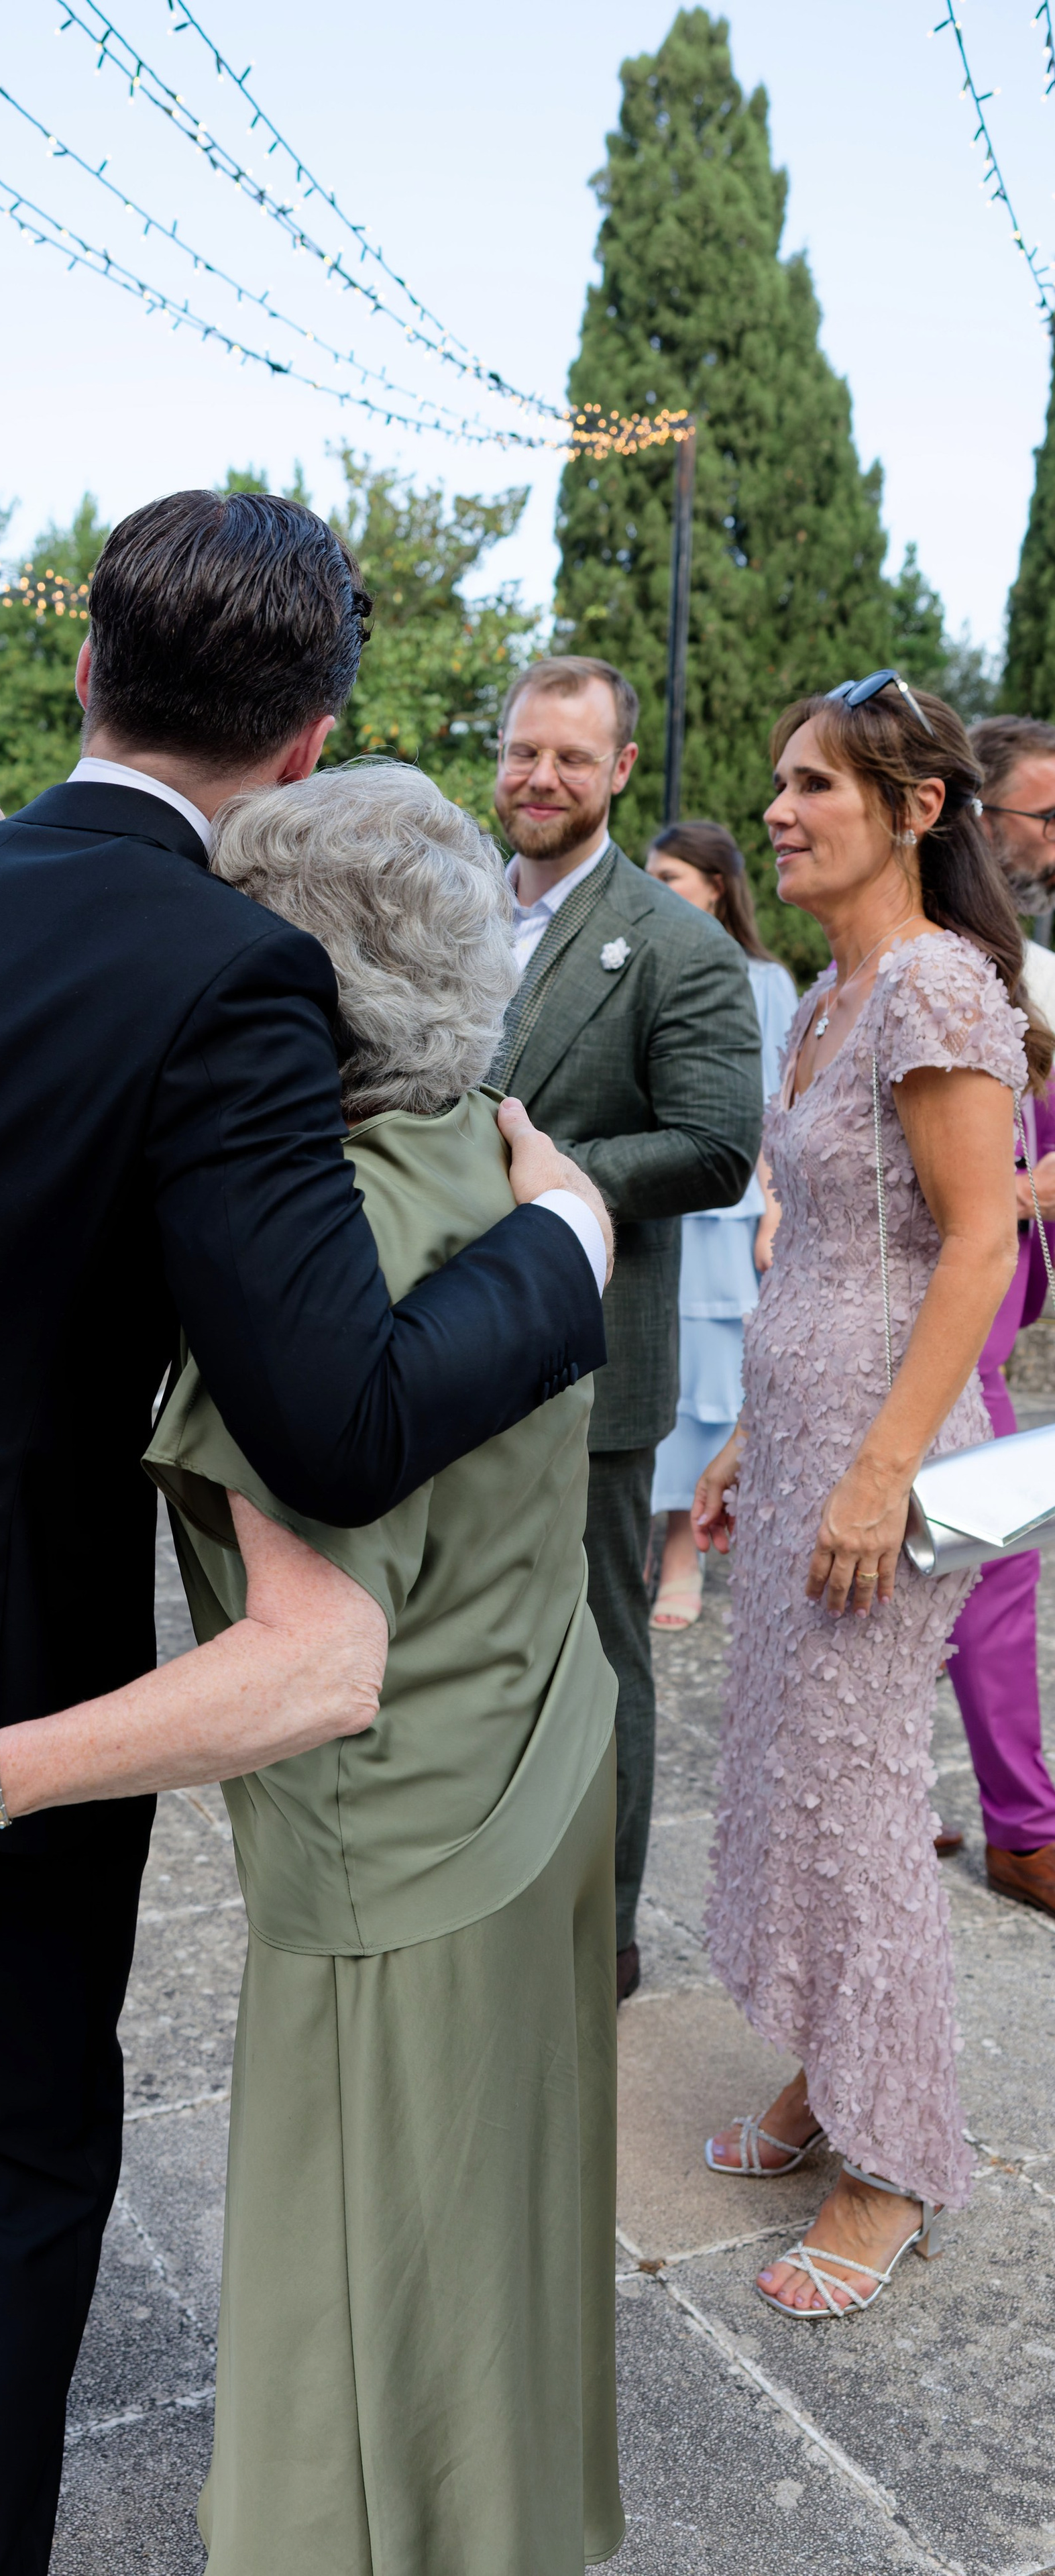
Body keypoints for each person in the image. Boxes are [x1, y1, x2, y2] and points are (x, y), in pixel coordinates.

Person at [0, 490, 612, 2576]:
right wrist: (561, 1246)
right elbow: (335, 1418)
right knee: (27, 2149)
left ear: (81, 671)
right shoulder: (233, 971)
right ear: (314, 735)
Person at [693, 672, 1044, 2317]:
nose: (778, 809)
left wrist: (874, 1467)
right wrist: (742, 1440)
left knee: (855, 1792)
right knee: (786, 1770)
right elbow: (831, 1242)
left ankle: (894, 2158)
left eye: (813, 784)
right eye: (774, 782)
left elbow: (977, 1242)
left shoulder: (930, 989)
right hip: (801, 1422)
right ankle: (831, 2066)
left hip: (883, 1450)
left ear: (913, 810)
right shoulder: (828, 992)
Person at [488, 656, 764, 2002]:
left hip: (596, 1357)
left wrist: (545, 1170)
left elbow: (715, 1150)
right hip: (449, 1353)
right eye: (519, 752)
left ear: (617, 771)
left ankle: (595, 1935)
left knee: (598, 1655)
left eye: (568, 758)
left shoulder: (674, 943)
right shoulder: (452, 914)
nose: (538, 778)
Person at [939, 716, 1055, 1916]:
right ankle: (1021, 1829)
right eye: (1044, 816)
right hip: (947, 1317)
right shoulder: (956, 972)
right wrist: (1025, 1192)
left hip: (999, 1315)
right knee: (993, 1557)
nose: (1054, 841)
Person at [643, 823, 797, 1631]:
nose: (654, 887)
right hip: (644, 1197)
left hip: (724, 1209)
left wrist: (773, 1212)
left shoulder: (764, 979)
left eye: (670, 875)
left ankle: (680, 1549)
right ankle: (648, 1527)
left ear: (714, 885)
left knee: (706, 1383)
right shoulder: (634, 957)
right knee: (642, 1366)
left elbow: (779, 1108)